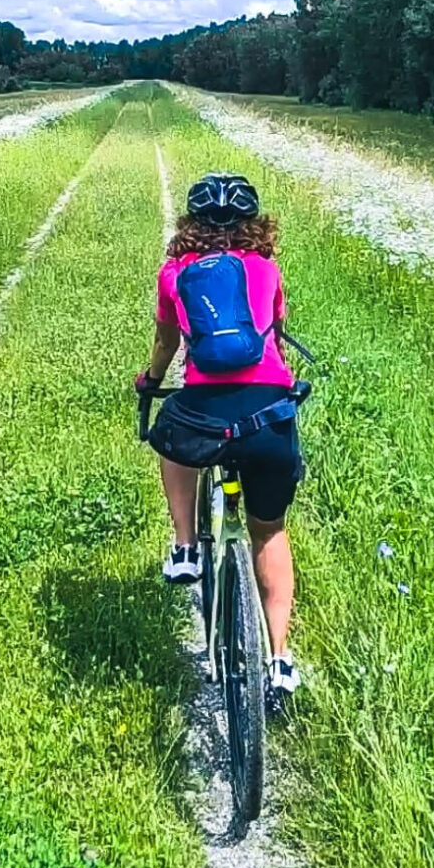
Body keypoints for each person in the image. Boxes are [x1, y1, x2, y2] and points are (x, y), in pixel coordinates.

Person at [136, 173, 303, 703]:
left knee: (172, 439)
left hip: (205, 411)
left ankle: (185, 546)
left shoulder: (174, 273)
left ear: (192, 224)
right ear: (255, 225)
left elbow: (166, 344)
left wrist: (151, 381)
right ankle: (279, 661)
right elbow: (275, 334)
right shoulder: (268, 269)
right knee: (269, 531)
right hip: (267, 413)